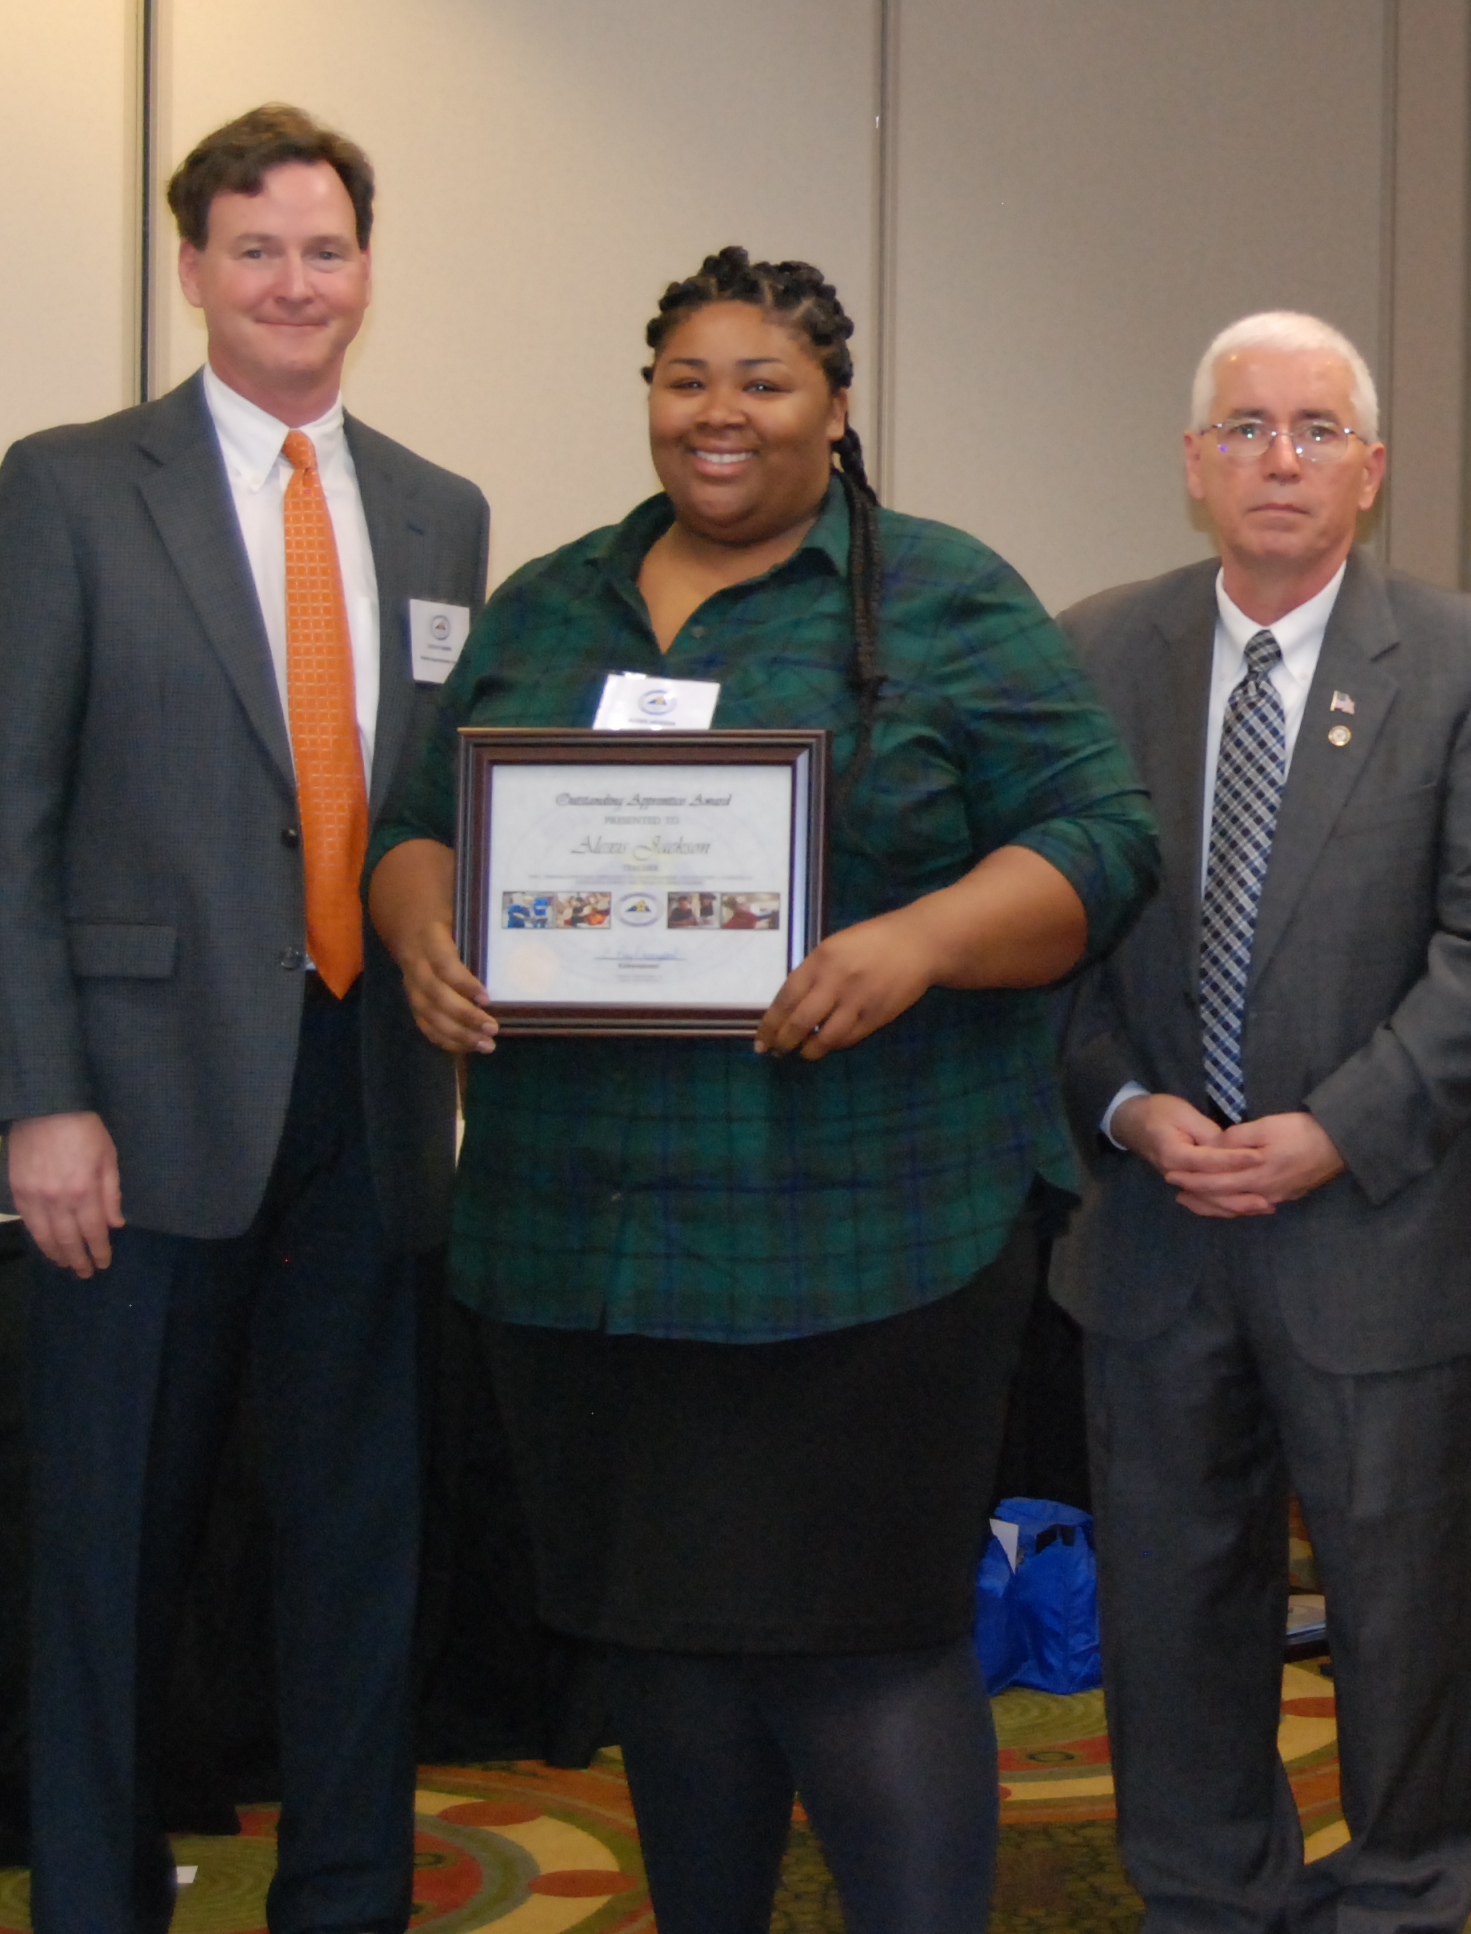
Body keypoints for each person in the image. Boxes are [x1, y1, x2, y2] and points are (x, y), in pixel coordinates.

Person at [365, 248, 1158, 1934]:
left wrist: (922, 942)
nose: (719, 414)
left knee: (860, 1648)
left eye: (765, 382)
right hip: (586, 1247)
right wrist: (424, 932)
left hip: (868, 1239)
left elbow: (1102, 839)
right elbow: (420, 824)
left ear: (836, 407)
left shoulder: (941, 596)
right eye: (686, 381)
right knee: (663, 1644)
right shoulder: (550, 604)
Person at [0, 103, 491, 1934]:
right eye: (255, 250)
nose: (294, 283)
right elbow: (4, 821)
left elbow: (431, 805)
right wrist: (39, 1096)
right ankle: (97, 1902)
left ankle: (347, 1899)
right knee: (111, 1555)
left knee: (360, 1549)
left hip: (372, 1093)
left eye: (325, 249)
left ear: (367, 271)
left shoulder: (438, 509)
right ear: (193, 270)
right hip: (141, 1106)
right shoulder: (70, 489)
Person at [1055, 310, 1471, 1934]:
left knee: (1399, 1612)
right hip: (1155, 1223)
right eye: (1246, 429)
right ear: (1193, 464)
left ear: (1371, 468)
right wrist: (1127, 1106)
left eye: (1315, 430)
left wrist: (1334, 1128)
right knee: (1169, 1604)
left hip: (1379, 1227)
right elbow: (1044, 928)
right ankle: (1206, 1891)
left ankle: (1405, 1892)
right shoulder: (1094, 651)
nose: (1279, 460)